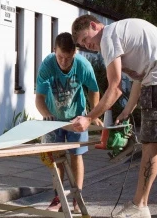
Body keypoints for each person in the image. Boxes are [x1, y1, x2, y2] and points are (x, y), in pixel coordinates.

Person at [70, 15, 157, 218]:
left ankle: (140, 205)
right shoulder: (122, 31)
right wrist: (128, 109)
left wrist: (89, 118)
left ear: (94, 25)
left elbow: (115, 87)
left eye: (85, 39)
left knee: (150, 145)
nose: (87, 45)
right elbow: (140, 77)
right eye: (83, 44)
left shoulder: (108, 37)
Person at [35, 32, 101, 213]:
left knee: (76, 155)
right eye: (60, 57)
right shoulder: (47, 65)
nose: (64, 62)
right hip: (53, 118)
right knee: (56, 158)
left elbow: (94, 90)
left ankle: (76, 198)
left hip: (77, 117)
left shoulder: (83, 65)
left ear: (75, 53)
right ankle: (58, 197)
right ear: (54, 50)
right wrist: (46, 114)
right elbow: (39, 98)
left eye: (68, 58)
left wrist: (94, 114)